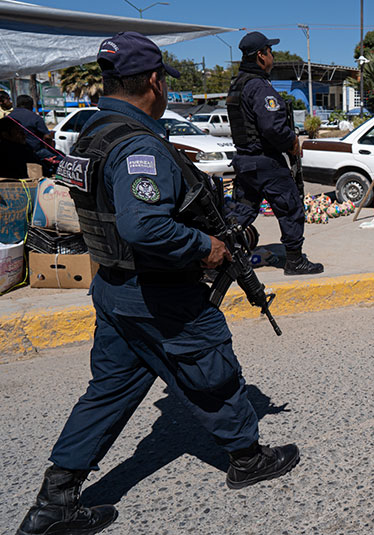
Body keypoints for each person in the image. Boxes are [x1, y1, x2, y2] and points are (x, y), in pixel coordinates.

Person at [16, 32, 300, 535]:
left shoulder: (93, 133)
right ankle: (248, 458)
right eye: (164, 79)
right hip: (159, 292)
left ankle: (55, 498)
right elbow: (143, 224)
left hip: (115, 288)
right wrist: (207, 249)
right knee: (211, 371)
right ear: (153, 81)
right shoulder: (136, 146)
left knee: (110, 389)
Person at [225, 31, 322, 275]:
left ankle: (218, 257)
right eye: (270, 51)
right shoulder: (258, 86)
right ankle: (295, 261)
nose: (273, 55)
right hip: (265, 160)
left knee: (243, 208)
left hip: (245, 161)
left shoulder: (237, 85)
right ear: (260, 55)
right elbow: (272, 127)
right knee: (290, 207)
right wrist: (291, 141)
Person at [9, 94, 55, 161]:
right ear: (31, 105)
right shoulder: (36, 118)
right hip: (35, 152)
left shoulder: (8, 117)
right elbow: (47, 137)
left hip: (12, 152)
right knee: (61, 160)